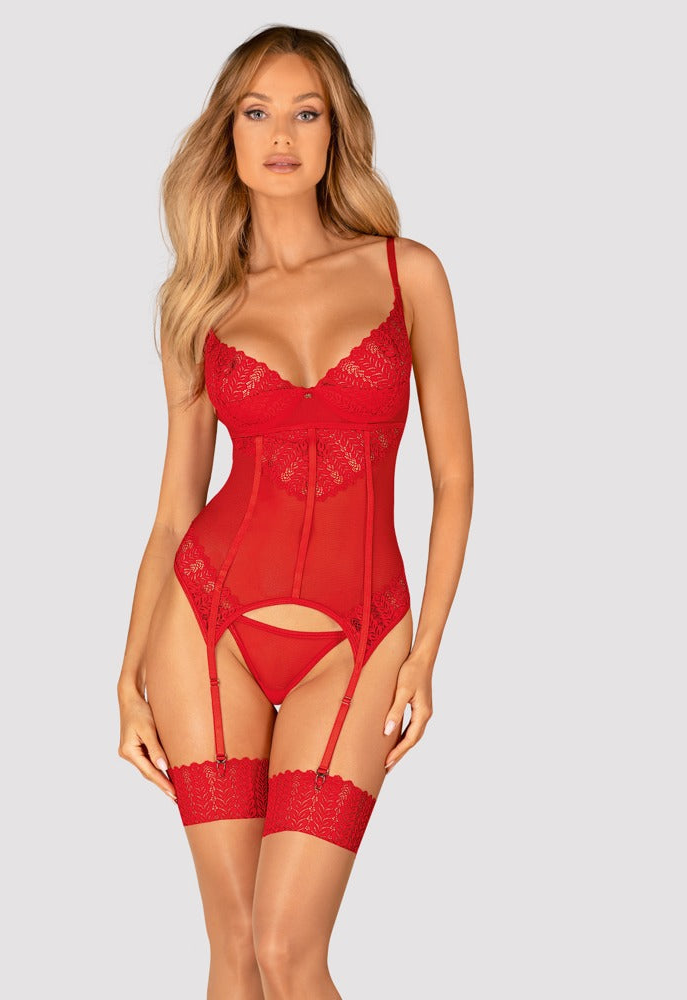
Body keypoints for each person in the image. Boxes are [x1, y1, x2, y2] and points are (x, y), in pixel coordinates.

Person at [116, 24, 473, 999]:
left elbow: (453, 478)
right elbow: (173, 512)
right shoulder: (198, 303)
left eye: (305, 113)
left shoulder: (407, 273)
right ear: (227, 134)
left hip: (359, 636)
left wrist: (426, 650)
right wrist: (126, 675)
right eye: (258, 112)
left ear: (335, 131)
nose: (282, 135)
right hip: (205, 628)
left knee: (288, 949)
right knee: (235, 950)